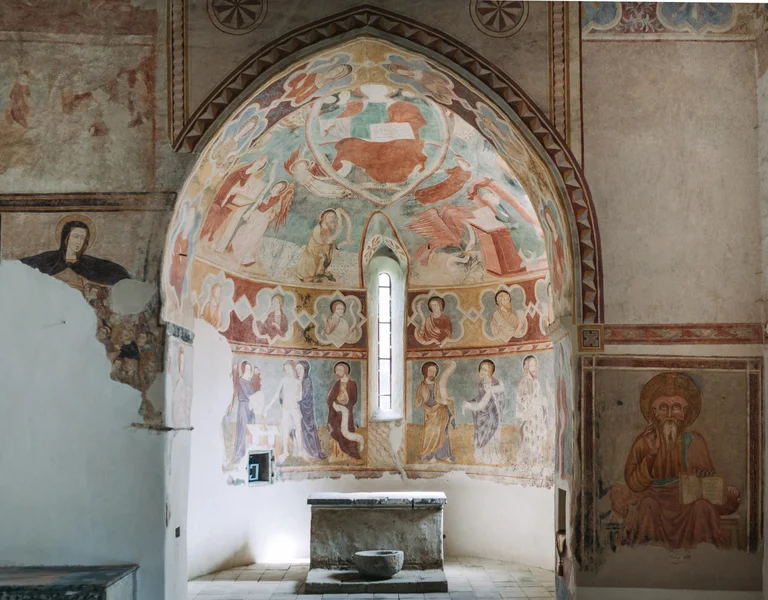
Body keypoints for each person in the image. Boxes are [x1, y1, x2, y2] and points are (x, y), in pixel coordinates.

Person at [609, 373, 740, 549]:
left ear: (685, 413)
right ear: (653, 413)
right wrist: (651, 454)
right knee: (648, 506)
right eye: (663, 407)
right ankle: (648, 561)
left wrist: (706, 479)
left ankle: (702, 559)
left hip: (687, 504)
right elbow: (633, 483)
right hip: (654, 500)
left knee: (702, 508)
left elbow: (708, 483)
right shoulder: (644, 442)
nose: (670, 414)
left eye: (676, 407)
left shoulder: (695, 442)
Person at [21, 220, 129, 292]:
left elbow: (116, 273)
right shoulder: (50, 259)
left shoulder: (88, 264)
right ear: (66, 238)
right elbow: (22, 267)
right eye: (75, 236)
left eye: (82, 238)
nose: (79, 242)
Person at [292, 208, 352, 283]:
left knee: (326, 258)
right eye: (331, 217)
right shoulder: (318, 229)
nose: (333, 220)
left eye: (334, 218)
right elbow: (322, 241)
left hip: (323, 251)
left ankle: (322, 272)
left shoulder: (328, 229)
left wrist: (335, 247)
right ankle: (310, 277)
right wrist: (336, 235)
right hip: (313, 253)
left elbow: (331, 241)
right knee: (320, 261)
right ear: (324, 218)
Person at [462, 360, 505, 465]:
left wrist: (471, 406)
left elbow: (488, 401)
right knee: (481, 436)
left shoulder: (495, 384)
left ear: (490, 372)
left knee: (490, 437)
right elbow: (480, 398)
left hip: (491, 415)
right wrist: (471, 402)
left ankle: (490, 458)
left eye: (485, 370)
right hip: (482, 415)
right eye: (481, 368)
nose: (482, 371)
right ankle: (481, 457)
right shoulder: (481, 384)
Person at [414, 361, 455, 462]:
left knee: (443, 433)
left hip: (440, 411)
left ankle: (444, 455)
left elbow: (442, 396)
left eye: (434, 371)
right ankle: (430, 455)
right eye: (430, 371)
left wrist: (447, 401)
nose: (432, 373)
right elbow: (417, 403)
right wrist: (422, 399)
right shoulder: (422, 386)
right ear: (425, 372)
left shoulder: (437, 384)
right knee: (430, 433)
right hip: (429, 413)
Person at [263, 361, 304, 462]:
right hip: (286, 408)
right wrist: (268, 406)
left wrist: (294, 397)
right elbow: (277, 394)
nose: (287, 371)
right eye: (285, 369)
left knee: (298, 428)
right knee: (285, 429)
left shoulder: (298, 382)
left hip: (294, 408)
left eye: (289, 368)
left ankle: (300, 450)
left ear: (293, 368)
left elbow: (300, 397)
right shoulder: (284, 380)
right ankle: (285, 451)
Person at [327, 362, 364, 462]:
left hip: (346, 412)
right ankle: (337, 455)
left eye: (340, 370)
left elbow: (353, 399)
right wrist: (334, 404)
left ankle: (350, 455)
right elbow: (330, 398)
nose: (338, 372)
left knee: (348, 431)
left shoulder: (352, 383)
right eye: (337, 370)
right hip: (336, 413)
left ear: (345, 371)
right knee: (336, 431)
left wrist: (345, 404)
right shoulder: (337, 383)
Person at [228, 361, 262, 466]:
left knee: (252, 430)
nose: (248, 371)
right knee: (243, 430)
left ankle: (250, 454)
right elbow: (248, 394)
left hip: (251, 407)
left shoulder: (250, 382)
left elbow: (255, 393)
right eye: (246, 369)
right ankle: (239, 456)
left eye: (249, 369)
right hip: (244, 406)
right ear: (243, 370)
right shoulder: (241, 380)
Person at [296, 361, 327, 460]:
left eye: (300, 369)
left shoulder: (307, 380)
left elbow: (303, 395)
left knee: (309, 429)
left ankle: (314, 452)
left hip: (306, 409)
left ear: (305, 369)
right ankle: (303, 450)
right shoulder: (297, 380)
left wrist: (294, 398)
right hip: (297, 408)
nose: (298, 371)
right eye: (297, 369)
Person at [516, 355, 541, 423]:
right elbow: (519, 398)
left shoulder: (536, 381)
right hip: (528, 411)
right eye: (532, 365)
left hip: (537, 412)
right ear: (526, 368)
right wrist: (527, 398)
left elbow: (538, 394)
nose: (534, 368)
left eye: (535, 365)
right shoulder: (524, 381)